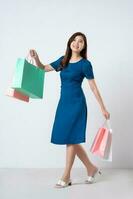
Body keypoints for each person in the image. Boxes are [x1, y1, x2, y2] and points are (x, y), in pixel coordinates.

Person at [29, 32, 110, 188]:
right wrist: (36, 58)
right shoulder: (63, 60)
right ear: (70, 42)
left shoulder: (85, 64)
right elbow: (43, 68)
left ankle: (66, 176)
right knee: (70, 138)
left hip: (77, 104)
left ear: (84, 46)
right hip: (64, 104)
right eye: (74, 40)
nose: (76, 43)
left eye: (81, 41)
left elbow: (93, 87)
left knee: (70, 139)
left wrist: (103, 108)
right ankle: (91, 168)